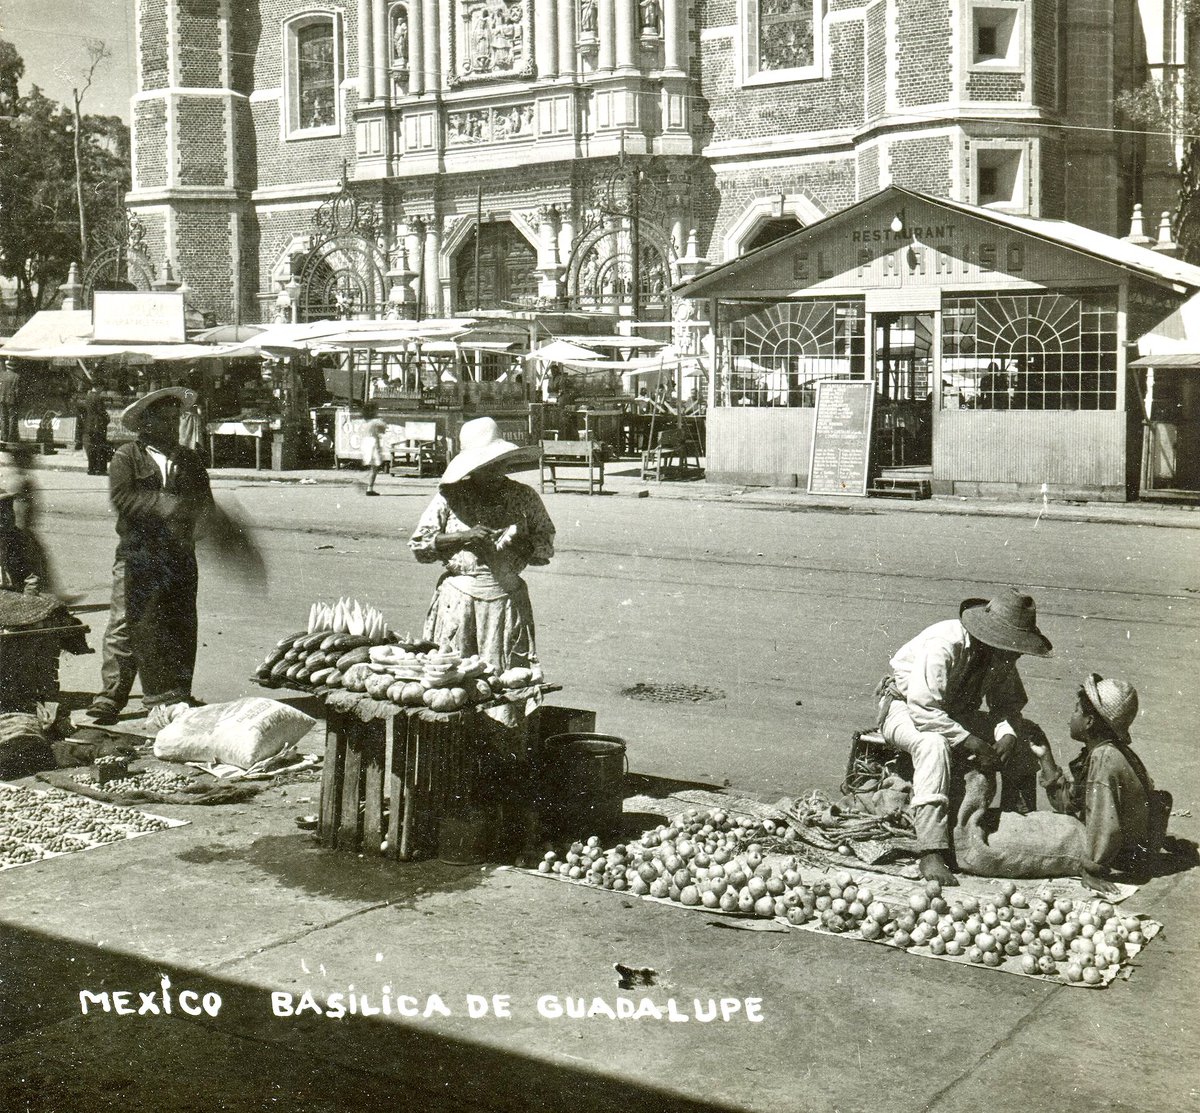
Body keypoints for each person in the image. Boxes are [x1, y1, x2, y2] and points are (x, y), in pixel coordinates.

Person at [875, 589, 1051, 886]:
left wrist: (1006, 733)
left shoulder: (1001, 659)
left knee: (1026, 733)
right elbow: (923, 709)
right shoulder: (945, 644)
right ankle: (930, 848)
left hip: (953, 716)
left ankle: (1017, 820)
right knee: (933, 744)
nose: (1018, 654)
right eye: (1015, 647)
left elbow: (1007, 707)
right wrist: (970, 741)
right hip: (904, 709)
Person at [408, 416, 554, 728]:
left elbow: (545, 545)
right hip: (459, 603)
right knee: (452, 684)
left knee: (506, 685)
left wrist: (520, 544)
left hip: (506, 600)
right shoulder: (451, 496)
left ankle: (503, 761)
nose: (494, 471)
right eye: (486, 465)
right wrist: (464, 536)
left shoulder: (524, 496)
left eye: (498, 463)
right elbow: (420, 546)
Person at [97, 388, 214, 730]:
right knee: (125, 622)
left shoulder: (190, 459)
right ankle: (112, 694)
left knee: (179, 622)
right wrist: (165, 503)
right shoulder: (127, 456)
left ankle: (176, 694)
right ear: (145, 424)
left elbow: (205, 504)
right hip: (138, 553)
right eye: (163, 420)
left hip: (179, 556)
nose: (171, 425)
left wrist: (201, 525)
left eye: (175, 419)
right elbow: (123, 498)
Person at [1028, 675, 1171, 893]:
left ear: (1090, 721)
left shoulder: (1104, 759)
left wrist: (1093, 869)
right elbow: (1068, 803)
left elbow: (1104, 819)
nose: (1070, 718)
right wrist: (1045, 756)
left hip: (1123, 854)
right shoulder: (1104, 750)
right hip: (1126, 848)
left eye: (1076, 710)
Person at [79, 387, 111, 475]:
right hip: (98, 425)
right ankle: (100, 469)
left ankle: (91, 469)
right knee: (100, 448)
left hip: (89, 425)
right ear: (98, 386)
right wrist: (107, 418)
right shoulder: (98, 397)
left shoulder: (87, 397)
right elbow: (101, 411)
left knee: (91, 448)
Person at [360, 401, 387, 496]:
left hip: (365, 443)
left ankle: (369, 486)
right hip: (373, 443)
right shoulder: (376, 421)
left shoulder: (365, 422)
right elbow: (383, 430)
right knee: (375, 467)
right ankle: (369, 488)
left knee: (372, 467)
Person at [0, 360, 20, 443]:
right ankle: (11, 438)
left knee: (3, 418)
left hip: (2, 399)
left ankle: (3, 437)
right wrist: (18, 400)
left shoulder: (2, 375)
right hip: (12, 400)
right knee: (12, 418)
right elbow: (17, 390)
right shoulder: (16, 376)